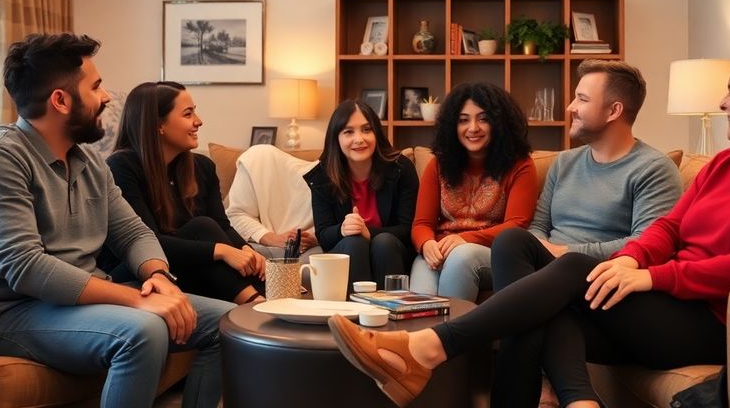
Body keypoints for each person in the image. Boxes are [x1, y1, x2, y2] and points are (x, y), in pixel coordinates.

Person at [327, 49, 730, 408]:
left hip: (717, 318)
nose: (722, 100)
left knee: (563, 275)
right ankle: (576, 400)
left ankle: (426, 350)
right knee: (540, 296)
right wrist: (635, 259)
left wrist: (653, 276)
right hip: (668, 299)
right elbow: (671, 228)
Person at [0, 34, 235, 408]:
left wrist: (158, 277)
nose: (106, 98)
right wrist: (136, 300)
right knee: (143, 330)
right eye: (96, 86)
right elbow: (25, 268)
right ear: (61, 100)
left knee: (228, 324)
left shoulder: (87, 161)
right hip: (15, 312)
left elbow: (132, 231)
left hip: (81, 303)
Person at [106, 81, 266, 305]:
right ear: (158, 125)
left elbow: (223, 226)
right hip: (141, 270)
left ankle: (265, 302)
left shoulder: (202, 167)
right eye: (188, 114)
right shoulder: (122, 166)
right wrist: (220, 250)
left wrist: (245, 249)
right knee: (202, 227)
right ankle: (256, 305)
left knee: (214, 235)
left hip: (191, 267)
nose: (198, 121)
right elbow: (144, 242)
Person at [511, 59, 681, 261]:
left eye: (582, 99)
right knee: (509, 241)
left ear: (613, 111)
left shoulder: (654, 169)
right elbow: (539, 225)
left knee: (559, 262)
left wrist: (565, 252)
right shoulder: (564, 161)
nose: (570, 108)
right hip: (547, 262)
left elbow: (647, 241)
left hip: (596, 269)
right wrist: (540, 251)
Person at [409, 82, 539, 302]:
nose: (473, 128)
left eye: (483, 119)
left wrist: (464, 239)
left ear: (499, 123)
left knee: (462, 256)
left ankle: (455, 326)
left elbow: (517, 224)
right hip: (440, 250)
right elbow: (422, 223)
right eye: (463, 120)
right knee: (420, 302)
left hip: (490, 253)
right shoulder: (438, 164)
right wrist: (426, 244)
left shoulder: (520, 165)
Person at [304, 99, 419, 286]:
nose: (359, 139)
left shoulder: (401, 168)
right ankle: (355, 306)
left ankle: (390, 304)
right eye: (348, 132)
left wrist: (369, 233)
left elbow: (408, 229)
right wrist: (342, 229)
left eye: (366, 129)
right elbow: (323, 235)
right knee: (354, 242)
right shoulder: (323, 176)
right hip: (349, 251)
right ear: (336, 138)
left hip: (391, 252)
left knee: (383, 242)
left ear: (376, 133)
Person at [225, 143, 322, 259]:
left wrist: (316, 239)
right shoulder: (258, 158)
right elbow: (236, 215)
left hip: (310, 250)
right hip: (260, 245)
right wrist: (273, 239)